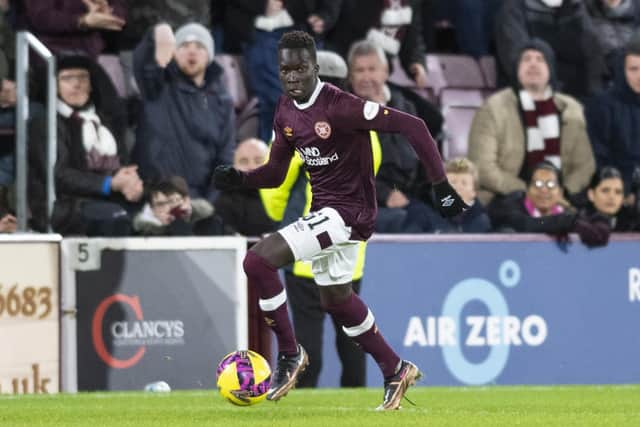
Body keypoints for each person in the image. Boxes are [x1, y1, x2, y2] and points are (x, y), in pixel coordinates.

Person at [213, 30, 468, 409]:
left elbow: (413, 126)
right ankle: (395, 368)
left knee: (257, 260)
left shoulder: (342, 106)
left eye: (300, 68)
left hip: (348, 214)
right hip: (329, 215)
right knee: (337, 300)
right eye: (286, 70)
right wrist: (242, 180)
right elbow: (277, 174)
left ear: (315, 68)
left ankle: (288, 353)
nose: (293, 76)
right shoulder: (285, 110)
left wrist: (440, 185)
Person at [468, 38, 595, 206]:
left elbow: (585, 165)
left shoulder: (571, 108)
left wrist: (562, 192)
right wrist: (531, 191)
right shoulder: (493, 108)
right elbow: (483, 168)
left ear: (551, 68)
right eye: (526, 59)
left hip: (562, 199)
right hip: (508, 198)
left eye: (540, 59)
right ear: (516, 69)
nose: (533, 64)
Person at [29, 53, 142, 235]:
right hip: (65, 206)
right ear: (55, 86)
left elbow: (123, 162)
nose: (77, 84)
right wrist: (109, 184)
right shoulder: (45, 123)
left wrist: (130, 181)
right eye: (67, 78)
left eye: (83, 77)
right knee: (114, 217)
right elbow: (59, 176)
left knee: (162, 213)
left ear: (91, 84)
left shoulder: (104, 121)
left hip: (106, 199)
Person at [132, 22, 235, 203]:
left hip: (198, 197)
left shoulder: (222, 100)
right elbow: (142, 62)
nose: (192, 51)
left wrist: (209, 201)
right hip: (156, 194)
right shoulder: (157, 85)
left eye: (199, 46)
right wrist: (156, 33)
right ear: (174, 52)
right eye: (184, 46)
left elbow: (225, 157)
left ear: (209, 55)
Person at [488, 161, 610, 247]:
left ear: (561, 192)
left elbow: (599, 221)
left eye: (551, 185)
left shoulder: (567, 211)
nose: (544, 190)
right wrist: (563, 222)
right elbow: (527, 224)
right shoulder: (510, 205)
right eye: (538, 184)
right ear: (527, 189)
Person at [585, 36, 640, 200]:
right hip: (616, 191)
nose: (639, 76)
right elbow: (599, 157)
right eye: (633, 69)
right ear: (622, 70)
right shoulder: (602, 106)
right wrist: (623, 190)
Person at [214, 138, 277, 236]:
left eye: (258, 161)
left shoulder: (286, 197)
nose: (251, 167)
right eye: (243, 161)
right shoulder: (224, 202)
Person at [133, 175, 226, 236]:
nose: (167, 209)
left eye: (173, 201)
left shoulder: (212, 225)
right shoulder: (141, 235)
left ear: (186, 200)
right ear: (152, 209)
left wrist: (180, 225)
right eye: (160, 204)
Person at [422, 157, 492, 233]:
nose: (457, 188)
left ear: (474, 191)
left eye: (464, 183)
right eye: (453, 182)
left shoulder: (482, 221)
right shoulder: (428, 215)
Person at [582, 166, 640, 231]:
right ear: (591, 194)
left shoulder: (629, 217)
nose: (612, 197)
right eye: (605, 190)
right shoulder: (581, 221)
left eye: (618, 192)